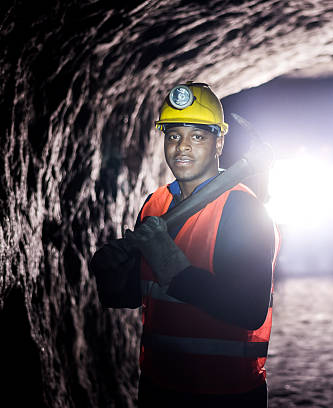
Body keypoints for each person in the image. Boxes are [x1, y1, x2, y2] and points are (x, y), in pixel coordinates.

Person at [90, 82, 279, 407]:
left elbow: (249, 310)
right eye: (174, 135)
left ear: (219, 143)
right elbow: (136, 295)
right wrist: (112, 275)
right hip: (158, 385)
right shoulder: (155, 203)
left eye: (198, 136)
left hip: (227, 393)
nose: (183, 148)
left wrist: (174, 269)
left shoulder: (244, 211)